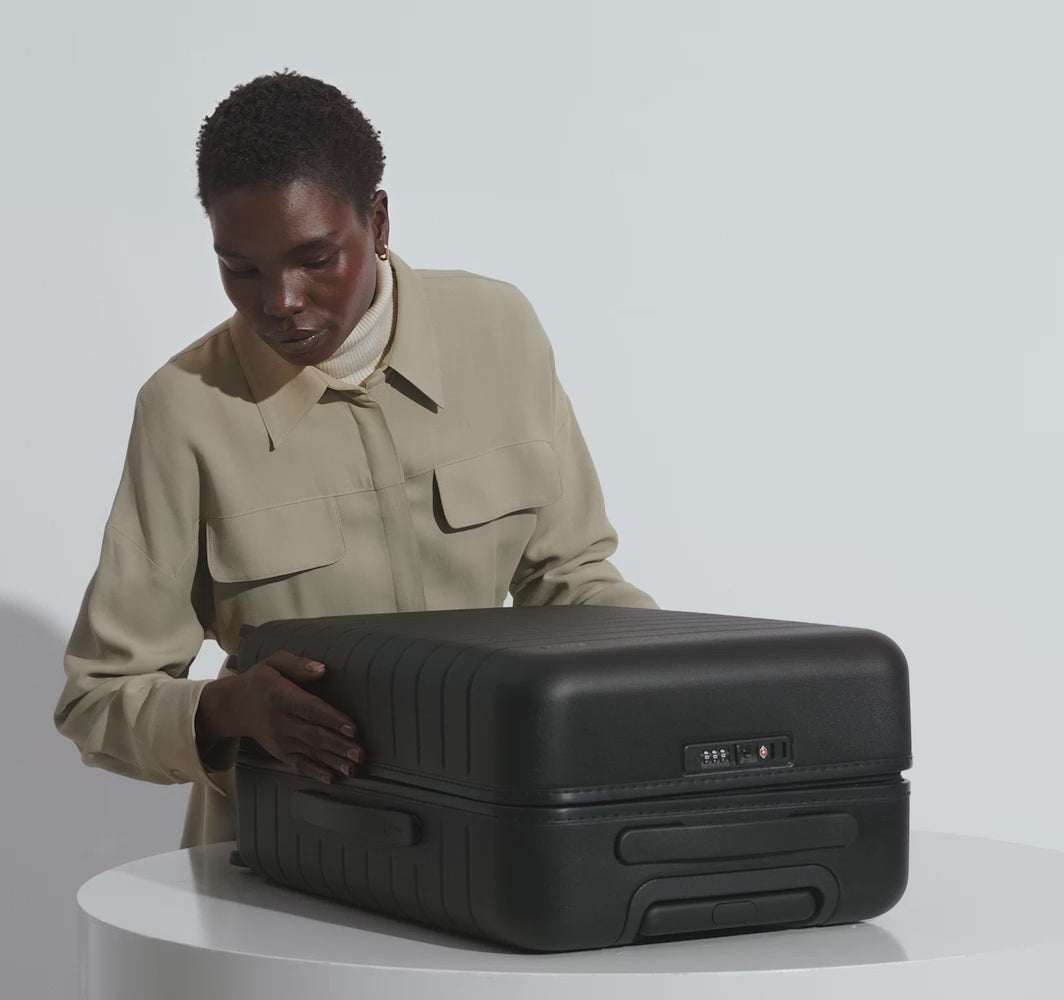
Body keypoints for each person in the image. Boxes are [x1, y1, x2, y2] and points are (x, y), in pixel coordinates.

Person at [53, 70, 657, 849]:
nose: (280, 299)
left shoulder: (499, 330)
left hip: (492, 839)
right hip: (281, 862)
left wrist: (673, 685)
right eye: (241, 268)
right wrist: (228, 709)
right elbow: (97, 702)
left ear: (377, 222)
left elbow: (572, 584)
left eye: (315, 258)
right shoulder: (183, 410)